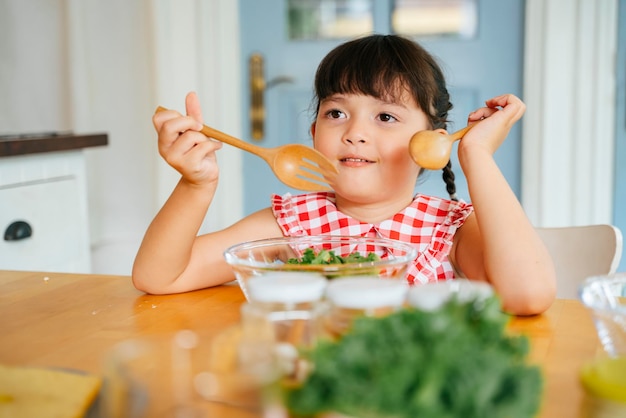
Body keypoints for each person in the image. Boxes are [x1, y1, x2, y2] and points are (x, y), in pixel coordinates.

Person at [132, 34, 556, 315]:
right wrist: (196, 184)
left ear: (431, 143)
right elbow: (160, 276)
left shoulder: (449, 230)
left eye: (386, 116)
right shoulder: (292, 225)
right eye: (336, 113)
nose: (354, 133)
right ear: (313, 133)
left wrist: (477, 154)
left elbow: (528, 294)